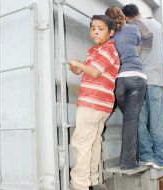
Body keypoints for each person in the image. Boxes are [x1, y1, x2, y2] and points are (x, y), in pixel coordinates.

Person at [68, 15, 120, 190]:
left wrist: (78, 64)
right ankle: (93, 180)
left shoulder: (107, 49)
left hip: (92, 103)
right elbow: (92, 71)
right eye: (93, 28)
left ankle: (80, 185)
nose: (95, 31)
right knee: (93, 142)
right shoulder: (97, 51)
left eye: (100, 28)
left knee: (81, 143)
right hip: (100, 104)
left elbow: (94, 72)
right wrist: (79, 68)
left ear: (111, 32)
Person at [122, 4, 163, 168]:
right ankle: (160, 159)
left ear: (126, 17)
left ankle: (147, 156)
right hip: (156, 79)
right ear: (139, 13)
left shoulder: (129, 28)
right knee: (157, 120)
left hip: (138, 79)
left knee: (139, 120)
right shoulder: (157, 25)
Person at [105, 6, 147, 169]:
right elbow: (139, 50)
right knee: (131, 120)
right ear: (123, 16)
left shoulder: (108, 34)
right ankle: (128, 162)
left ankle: (132, 158)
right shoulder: (133, 29)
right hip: (136, 77)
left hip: (118, 82)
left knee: (129, 119)